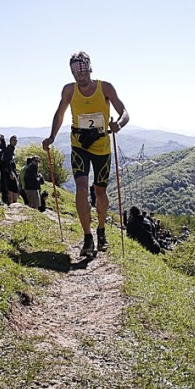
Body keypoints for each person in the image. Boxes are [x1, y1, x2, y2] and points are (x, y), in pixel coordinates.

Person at [42, 51, 130, 256]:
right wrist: (52, 136)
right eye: (75, 71)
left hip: (102, 147)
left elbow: (124, 112)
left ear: (90, 68)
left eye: (82, 70)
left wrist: (119, 124)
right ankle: (87, 237)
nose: (79, 75)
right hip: (79, 145)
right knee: (81, 189)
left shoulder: (105, 87)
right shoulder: (69, 90)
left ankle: (101, 230)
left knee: (100, 192)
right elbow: (60, 113)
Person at [1, 135, 19, 204]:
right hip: (9, 171)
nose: (15, 142)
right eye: (14, 140)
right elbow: (7, 161)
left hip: (12, 170)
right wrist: (10, 172)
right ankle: (11, 201)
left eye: (16, 140)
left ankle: (14, 202)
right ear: (10, 141)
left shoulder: (12, 149)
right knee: (11, 186)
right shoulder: (9, 149)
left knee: (15, 186)